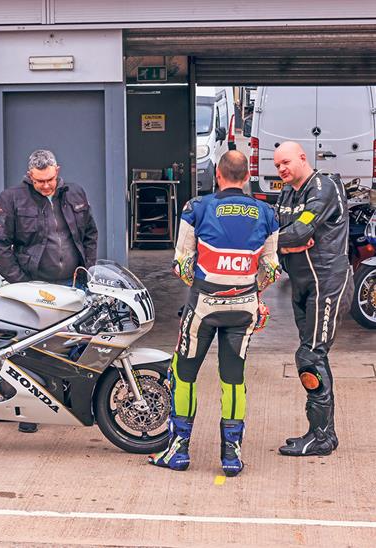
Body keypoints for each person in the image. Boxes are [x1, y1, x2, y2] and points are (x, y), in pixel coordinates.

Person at [149, 150, 279, 477]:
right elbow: (273, 269)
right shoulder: (267, 212)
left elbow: (181, 264)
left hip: (204, 307)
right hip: (245, 307)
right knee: (233, 378)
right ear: (247, 177)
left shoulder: (197, 208)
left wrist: (206, 287)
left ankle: (177, 451)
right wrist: (249, 290)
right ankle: (231, 456)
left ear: (218, 175)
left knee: (183, 373)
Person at [0, 149, 98, 433]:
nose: (46, 186)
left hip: (73, 284)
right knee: (32, 349)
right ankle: (29, 412)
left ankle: (68, 402)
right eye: (39, 182)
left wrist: (88, 269)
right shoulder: (11, 199)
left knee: (72, 343)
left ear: (57, 171)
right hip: (35, 287)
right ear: (30, 177)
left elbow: (90, 234)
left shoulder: (75, 193)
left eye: (49, 179)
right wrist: (20, 281)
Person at [273, 141, 352, 457]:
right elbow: (286, 233)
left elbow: (301, 232)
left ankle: (320, 438)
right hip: (301, 284)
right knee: (313, 355)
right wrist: (285, 243)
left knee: (310, 356)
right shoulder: (288, 192)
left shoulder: (323, 185)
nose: (281, 169)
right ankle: (323, 434)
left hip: (327, 283)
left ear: (303, 158)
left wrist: (280, 241)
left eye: (286, 162)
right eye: (277, 165)